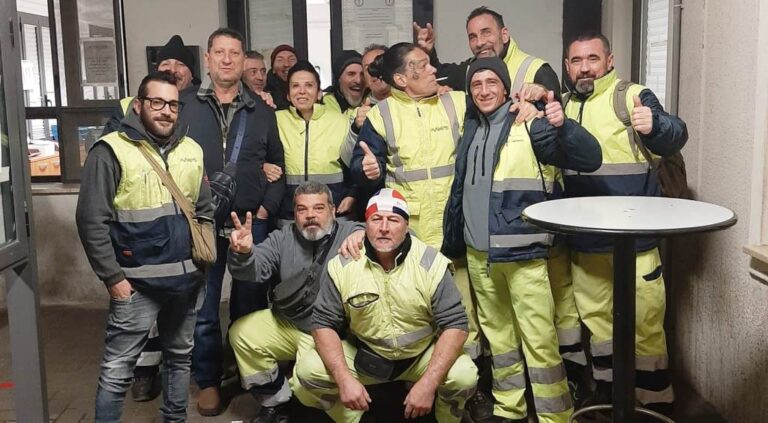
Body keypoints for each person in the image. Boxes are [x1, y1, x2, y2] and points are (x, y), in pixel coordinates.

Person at [443, 57, 603, 423]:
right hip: (479, 255)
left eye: (492, 83)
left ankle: (555, 416)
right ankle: (509, 410)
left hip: (523, 253)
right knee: (499, 341)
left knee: (539, 341)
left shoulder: (528, 121)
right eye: (476, 84)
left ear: (505, 88)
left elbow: (589, 157)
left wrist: (560, 122)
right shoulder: (471, 127)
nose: (484, 90)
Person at [349, 41, 491, 415]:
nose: (433, 70)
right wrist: (367, 170)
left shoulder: (455, 102)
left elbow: (495, 109)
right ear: (401, 79)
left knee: (464, 316)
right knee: (414, 315)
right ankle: (415, 388)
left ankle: (468, 390)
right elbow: (361, 166)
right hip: (409, 238)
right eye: (422, 65)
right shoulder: (381, 115)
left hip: (453, 229)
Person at [560, 31, 688, 415]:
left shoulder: (631, 96)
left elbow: (675, 134)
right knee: (598, 325)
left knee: (646, 324)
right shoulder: (561, 106)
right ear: (567, 66)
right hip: (586, 241)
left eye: (592, 59)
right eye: (577, 61)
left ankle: (655, 404)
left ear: (609, 61)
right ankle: (607, 396)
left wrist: (655, 126)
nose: (585, 68)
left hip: (635, 241)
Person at [76, 71, 213, 422]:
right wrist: (114, 280)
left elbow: (204, 211)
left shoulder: (192, 150)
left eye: (173, 104)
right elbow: (91, 220)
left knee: (179, 360)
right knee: (118, 369)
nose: (166, 111)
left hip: (185, 282)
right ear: (138, 105)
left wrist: (201, 265)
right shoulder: (110, 151)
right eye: (157, 102)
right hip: (136, 286)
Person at [293, 188, 478, 423]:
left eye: (393, 220)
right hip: (365, 354)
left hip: (420, 356)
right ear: (365, 225)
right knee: (307, 371)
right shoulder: (343, 265)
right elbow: (322, 324)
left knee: (464, 375)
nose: (383, 227)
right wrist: (344, 380)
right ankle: (354, 418)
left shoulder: (431, 264)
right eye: (376, 219)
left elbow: (456, 325)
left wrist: (428, 384)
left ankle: (445, 420)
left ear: (406, 226)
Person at [178, 27, 286, 416]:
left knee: (249, 304)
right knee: (204, 307)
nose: (227, 59)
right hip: (201, 225)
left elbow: (279, 166)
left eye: (234, 53)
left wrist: (265, 209)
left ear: (244, 61)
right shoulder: (184, 106)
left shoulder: (262, 111)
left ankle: (244, 372)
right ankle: (207, 380)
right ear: (207, 59)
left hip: (250, 225)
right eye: (219, 52)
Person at [226, 181, 364, 423]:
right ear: (295, 214)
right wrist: (243, 253)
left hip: (333, 332)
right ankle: (276, 401)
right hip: (291, 324)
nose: (310, 215)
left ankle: (345, 415)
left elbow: (400, 237)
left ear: (333, 210)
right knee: (241, 333)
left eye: (318, 208)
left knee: (305, 378)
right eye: (302, 209)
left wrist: (365, 233)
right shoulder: (282, 237)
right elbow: (255, 269)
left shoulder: (350, 233)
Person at [414, 7, 561, 102]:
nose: (479, 43)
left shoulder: (538, 70)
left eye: (486, 33)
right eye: (473, 37)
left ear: (504, 35)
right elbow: (439, 74)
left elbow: (558, 124)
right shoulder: (469, 69)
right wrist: (428, 52)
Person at [275, 60, 356, 226]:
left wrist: (352, 195)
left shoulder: (340, 121)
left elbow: (355, 166)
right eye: (295, 86)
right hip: (289, 214)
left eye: (309, 85)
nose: (302, 91)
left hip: (333, 213)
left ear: (319, 93)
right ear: (288, 94)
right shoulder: (275, 120)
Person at [102, 34, 198, 137]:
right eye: (165, 64)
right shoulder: (128, 106)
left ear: (192, 75)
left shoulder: (203, 106)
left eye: (181, 64)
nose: (172, 69)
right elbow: (109, 143)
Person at [322, 50, 365, 120]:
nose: (358, 80)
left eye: (362, 74)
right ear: (338, 79)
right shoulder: (321, 107)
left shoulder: (374, 104)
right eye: (351, 74)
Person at [266, 44, 299, 110]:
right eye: (280, 60)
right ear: (273, 68)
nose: (286, 64)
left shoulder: (307, 90)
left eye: (291, 59)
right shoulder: (265, 92)